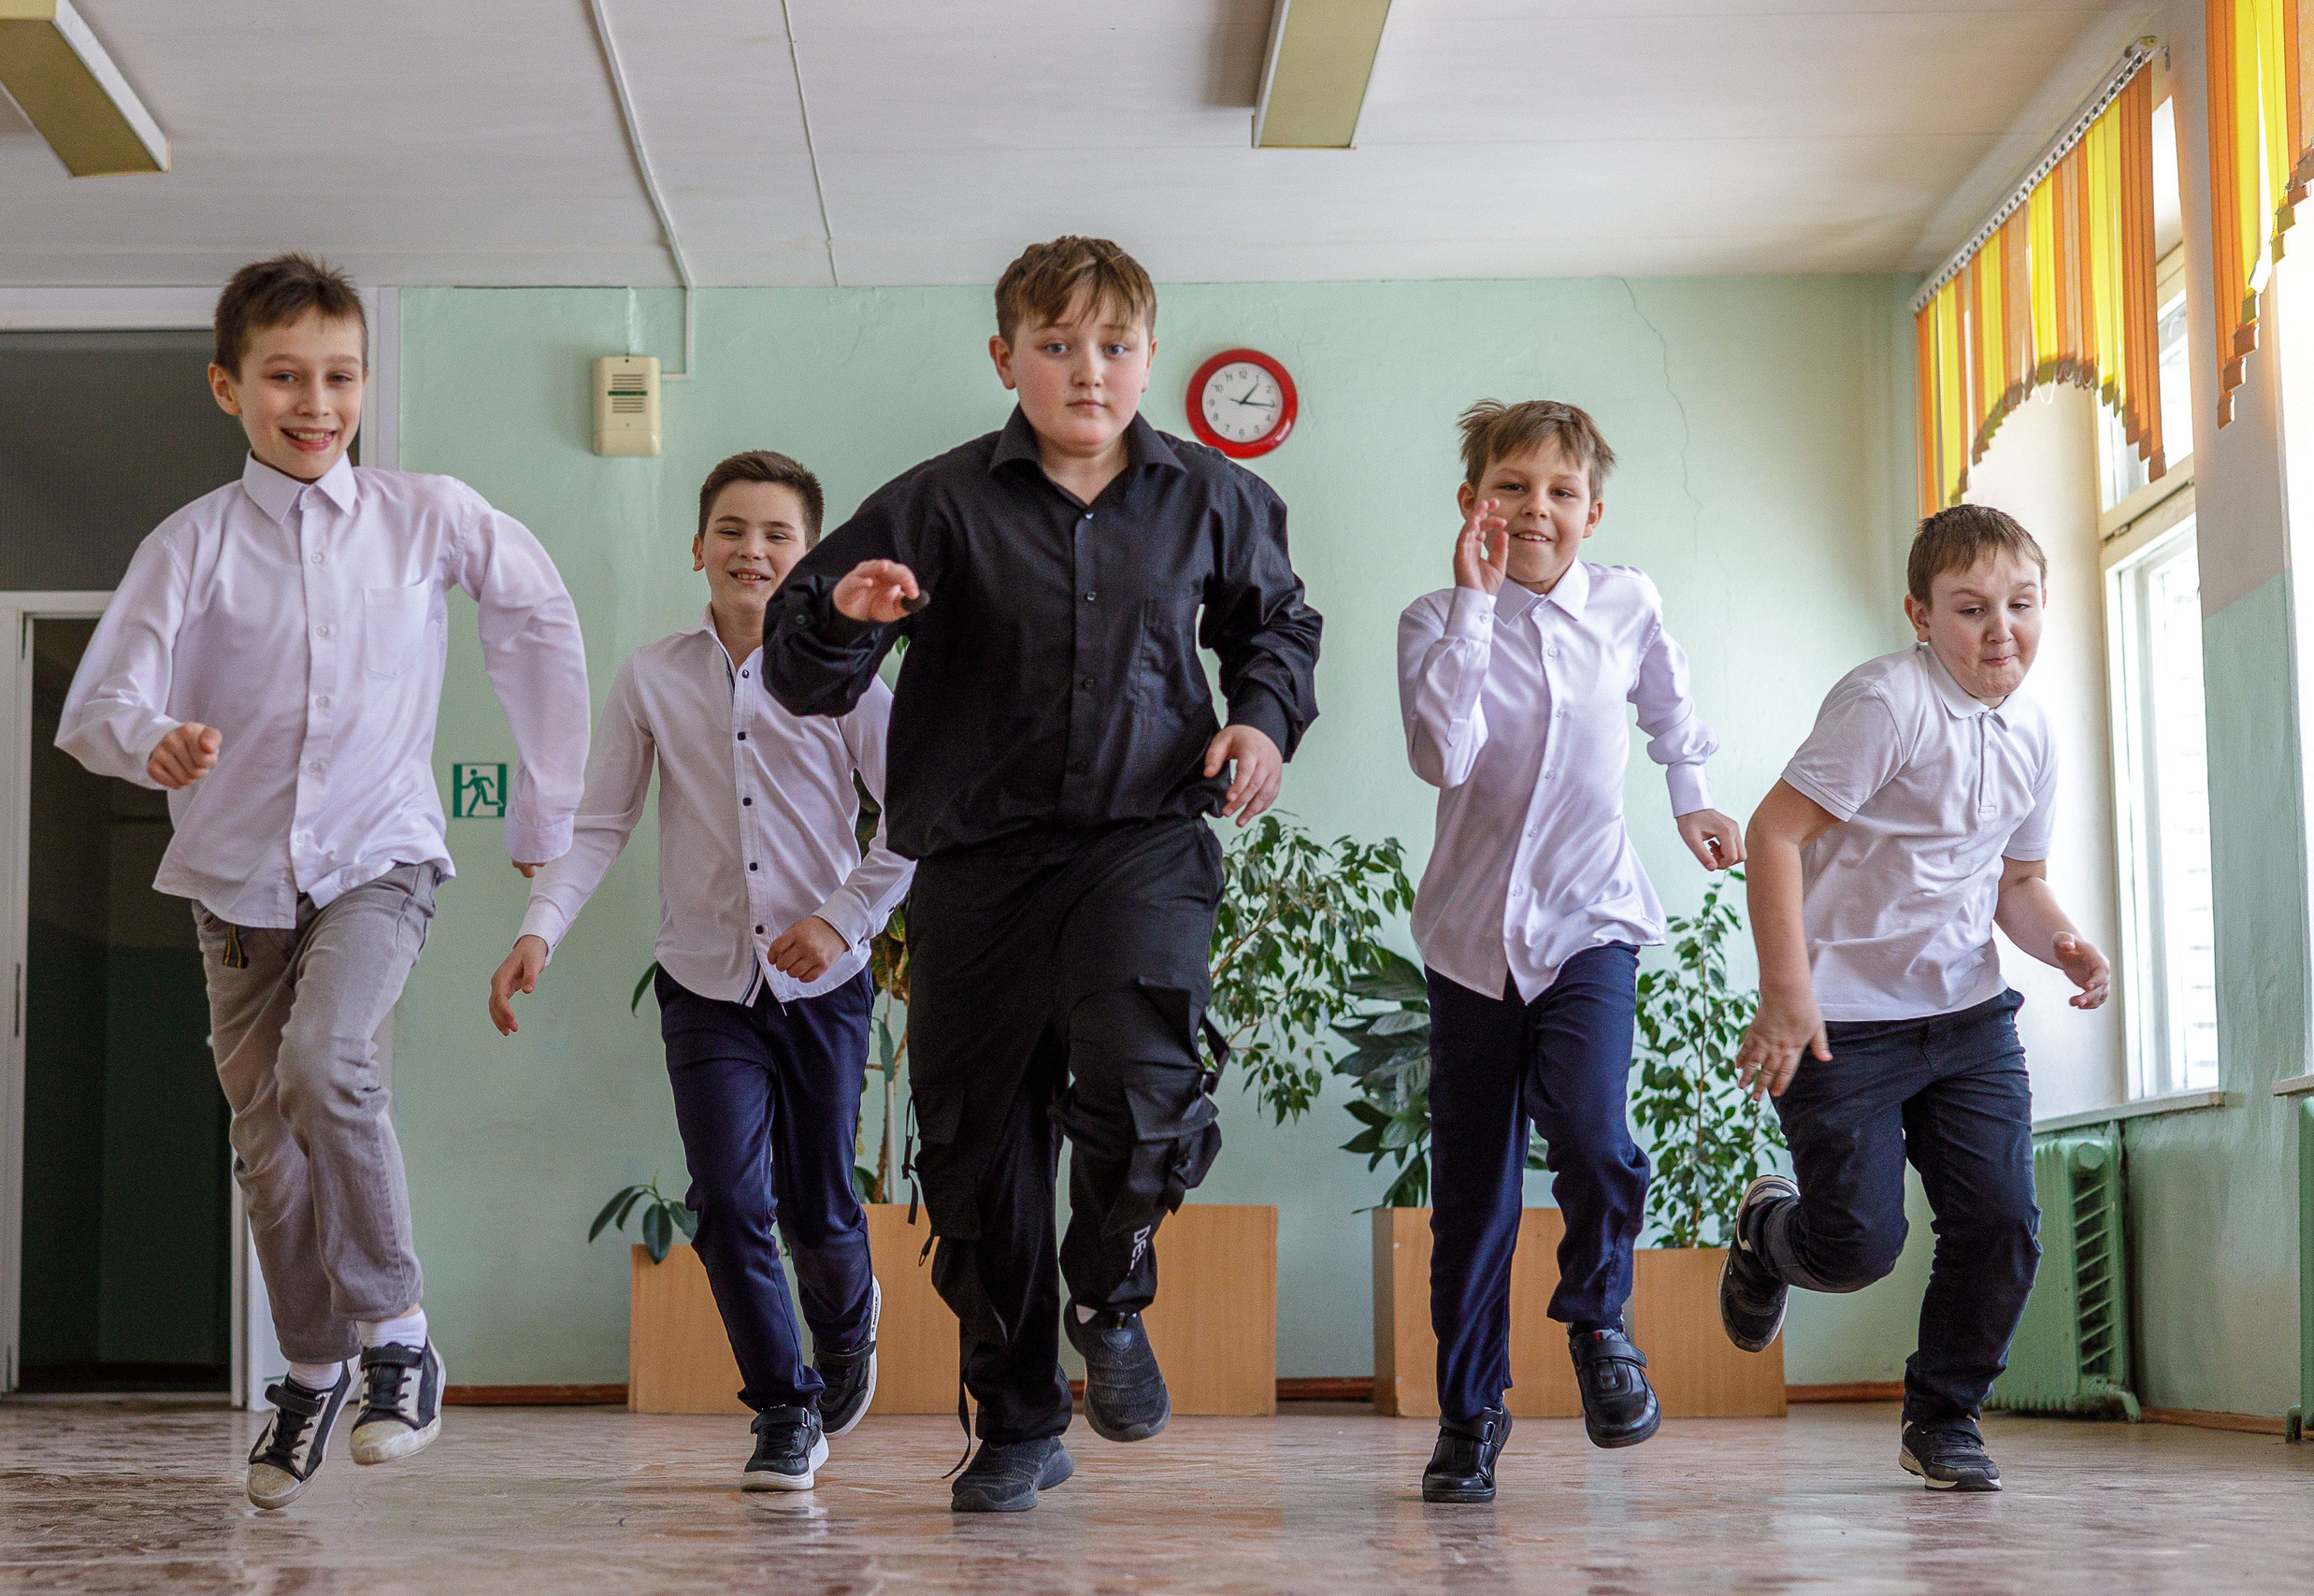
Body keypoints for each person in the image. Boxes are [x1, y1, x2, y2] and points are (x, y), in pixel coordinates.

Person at [762, 236, 1322, 1513]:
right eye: (1057, 344)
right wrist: (849, 615)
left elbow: (1278, 624)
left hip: (1144, 839)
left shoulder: (1211, 498)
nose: (1088, 370)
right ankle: (1016, 1417)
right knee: (976, 1150)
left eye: (1114, 345)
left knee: (1147, 1084)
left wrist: (1261, 722)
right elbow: (800, 672)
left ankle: (1107, 1295)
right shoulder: (934, 504)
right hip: (974, 862)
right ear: (1005, 355)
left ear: (1150, 356)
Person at [55, 253, 591, 1511]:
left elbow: (540, 613)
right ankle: (311, 1366)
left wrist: (546, 800)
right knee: (264, 1145)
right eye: (284, 375)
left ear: (365, 380)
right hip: (234, 882)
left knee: (325, 1065)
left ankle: (401, 1335)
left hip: (379, 856)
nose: (316, 401)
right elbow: (99, 703)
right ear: (227, 387)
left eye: (341, 374)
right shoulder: (189, 544)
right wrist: (156, 741)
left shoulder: (426, 515)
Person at [488, 450, 912, 1492]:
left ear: (812, 558)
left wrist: (843, 922)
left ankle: (848, 1323)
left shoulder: (853, 678)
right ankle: (782, 1407)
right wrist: (539, 928)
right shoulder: (653, 675)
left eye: (776, 534)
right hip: (703, 982)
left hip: (822, 983)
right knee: (725, 1200)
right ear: (697, 548)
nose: (751, 549)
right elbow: (600, 823)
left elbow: (915, 821)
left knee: (819, 1206)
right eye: (731, 529)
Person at [1723, 502, 2111, 1492]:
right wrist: (1786, 995)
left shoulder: (2032, 731)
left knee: (2001, 1224)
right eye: (1971, 608)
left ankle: (1943, 1421)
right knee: (1855, 1247)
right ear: (1920, 615)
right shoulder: (1884, 705)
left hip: (1968, 1016)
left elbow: (2014, 883)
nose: (2000, 631)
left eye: (2020, 606)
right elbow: (1773, 834)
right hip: (1844, 1019)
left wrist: (2059, 942)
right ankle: (1768, 1231)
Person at [1398, 400, 1741, 1504]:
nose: (1533, 509)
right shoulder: (1432, 620)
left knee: (1594, 1135)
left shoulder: (1628, 602)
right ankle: (1469, 1418)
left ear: (1592, 510)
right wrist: (1471, 611)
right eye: (1509, 487)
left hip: (1590, 921)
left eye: (1557, 492)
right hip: (1469, 942)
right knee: (1474, 1202)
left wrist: (1692, 802)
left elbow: (1670, 712)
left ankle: (1598, 1324)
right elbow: (1440, 758)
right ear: (1472, 504)